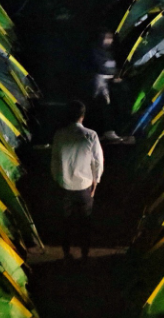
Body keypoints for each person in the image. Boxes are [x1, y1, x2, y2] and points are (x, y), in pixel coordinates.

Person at [51, 100, 104, 263]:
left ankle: (66, 253)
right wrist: (96, 182)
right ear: (83, 116)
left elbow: (54, 161)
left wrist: (58, 180)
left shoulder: (59, 135)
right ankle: (85, 254)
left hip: (65, 186)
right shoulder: (91, 135)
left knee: (65, 223)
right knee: (85, 222)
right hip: (84, 187)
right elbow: (98, 162)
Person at [89, 28, 123, 142]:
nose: (109, 41)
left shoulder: (111, 52)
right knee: (103, 105)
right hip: (100, 83)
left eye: (111, 38)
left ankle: (109, 131)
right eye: (107, 38)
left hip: (110, 83)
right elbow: (100, 67)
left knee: (110, 106)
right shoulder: (96, 50)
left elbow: (113, 67)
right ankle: (104, 132)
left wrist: (116, 75)